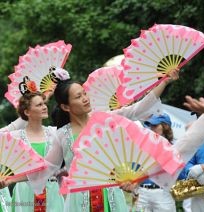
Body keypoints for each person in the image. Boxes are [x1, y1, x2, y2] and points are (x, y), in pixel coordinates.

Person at [0, 69, 179, 212]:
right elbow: (46, 168)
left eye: (84, 94)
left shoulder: (104, 119)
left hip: (111, 196)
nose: (85, 99)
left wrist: (164, 81)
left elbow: (136, 110)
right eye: (78, 97)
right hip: (79, 201)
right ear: (65, 106)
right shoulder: (62, 135)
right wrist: (11, 179)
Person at [9, 92, 64, 212]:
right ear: (27, 112)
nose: (44, 107)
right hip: (24, 192)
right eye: (39, 105)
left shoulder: (55, 133)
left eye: (44, 103)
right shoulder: (14, 138)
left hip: (52, 192)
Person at [129, 114, 177, 212]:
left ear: (166, 126)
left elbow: (156, 168)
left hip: (162, 192)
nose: (151, 128)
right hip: (142, 192)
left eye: (155, 125)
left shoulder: (173, 148)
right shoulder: (143, 146)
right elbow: (135, 168)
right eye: (150, 125)